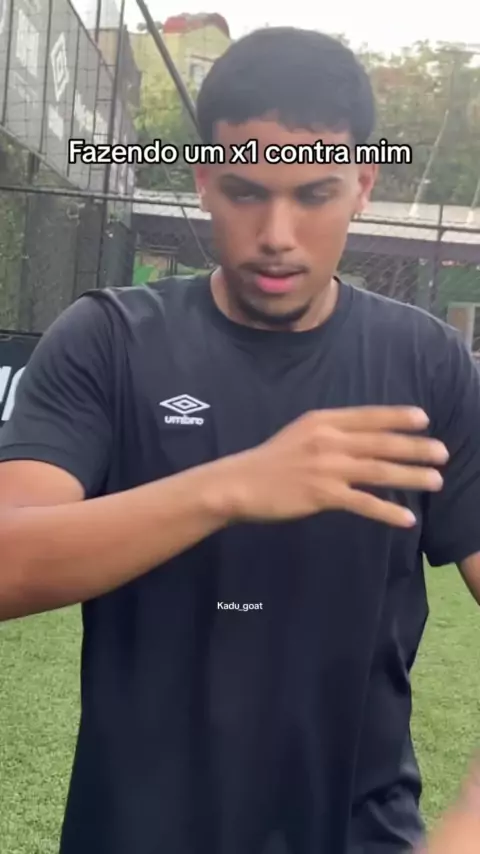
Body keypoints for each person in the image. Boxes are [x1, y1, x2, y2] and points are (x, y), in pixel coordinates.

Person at [0, 26, 479, 854]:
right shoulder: (109, 340)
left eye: (315, 194)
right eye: (246, 191)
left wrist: (468, 826)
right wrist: (228, 487)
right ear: (203, 183)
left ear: (363, 185)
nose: (278, 233)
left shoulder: (427, 362)